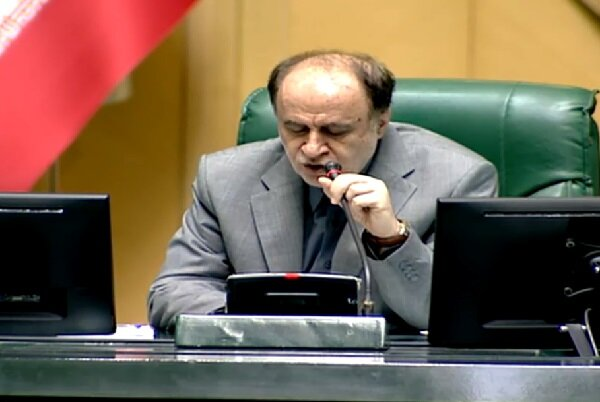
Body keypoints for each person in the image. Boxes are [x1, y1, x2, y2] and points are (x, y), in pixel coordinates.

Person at [147, 49, 498, 333]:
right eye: (295, 128)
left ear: (381, 122)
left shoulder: (459, 179)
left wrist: (391, 238)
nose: (312, 148)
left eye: (335, 131)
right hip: (258, 371)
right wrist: (258, 325)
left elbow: (451, 315)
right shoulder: (224, 177)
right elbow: (173, 292)